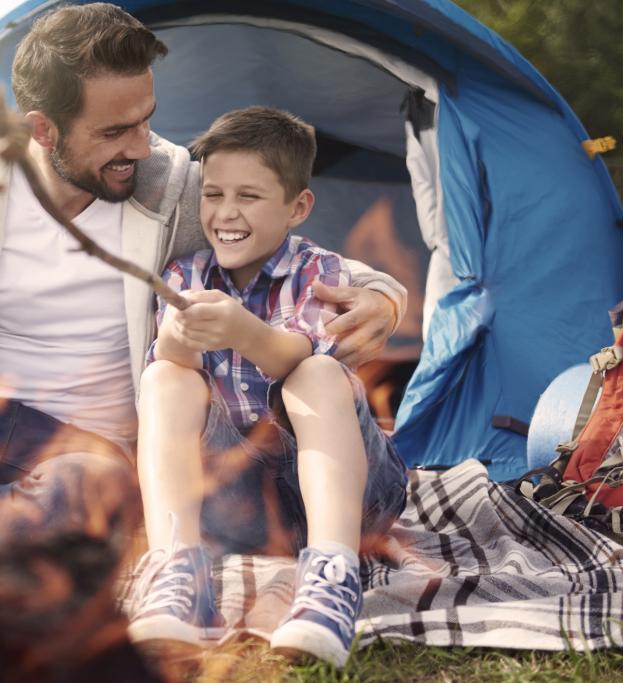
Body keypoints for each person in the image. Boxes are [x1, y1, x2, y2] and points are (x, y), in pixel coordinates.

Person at [0, 4, 406, 557]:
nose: (140, 144)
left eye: (146, 119)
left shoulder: (173, 185)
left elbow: (293, 248)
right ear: (43, 128)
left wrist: (384, 296)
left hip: (84, 454)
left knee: (86, 499)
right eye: (114, 131)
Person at [126, 107, 408, 667]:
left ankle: (331, 575)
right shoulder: (186, 275)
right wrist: (180, 336)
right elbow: (169, 354)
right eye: (213, 194)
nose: (226, 213)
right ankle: (179, 569)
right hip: (241, 508)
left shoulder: (317, 271)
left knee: (320, 372)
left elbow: (296, 356)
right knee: (163, 377)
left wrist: (243, 330)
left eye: (248, 197)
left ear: (297, 207)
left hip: (348, 497)